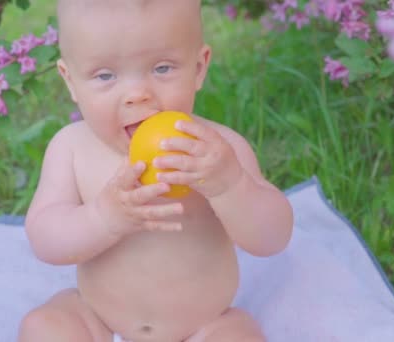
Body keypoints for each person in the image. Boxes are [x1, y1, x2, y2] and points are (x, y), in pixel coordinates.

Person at [18, 0, 294, 341]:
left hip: (204, 325)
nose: (137, 94)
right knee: (44, 329)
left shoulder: (219, 151)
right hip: (99, 318)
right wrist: (103, 218)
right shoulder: (71, 148)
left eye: (162, 68)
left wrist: (230, 185)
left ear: (199, 67)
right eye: (105, 75)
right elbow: (45, 240)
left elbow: (272, 238)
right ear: (71, 81)